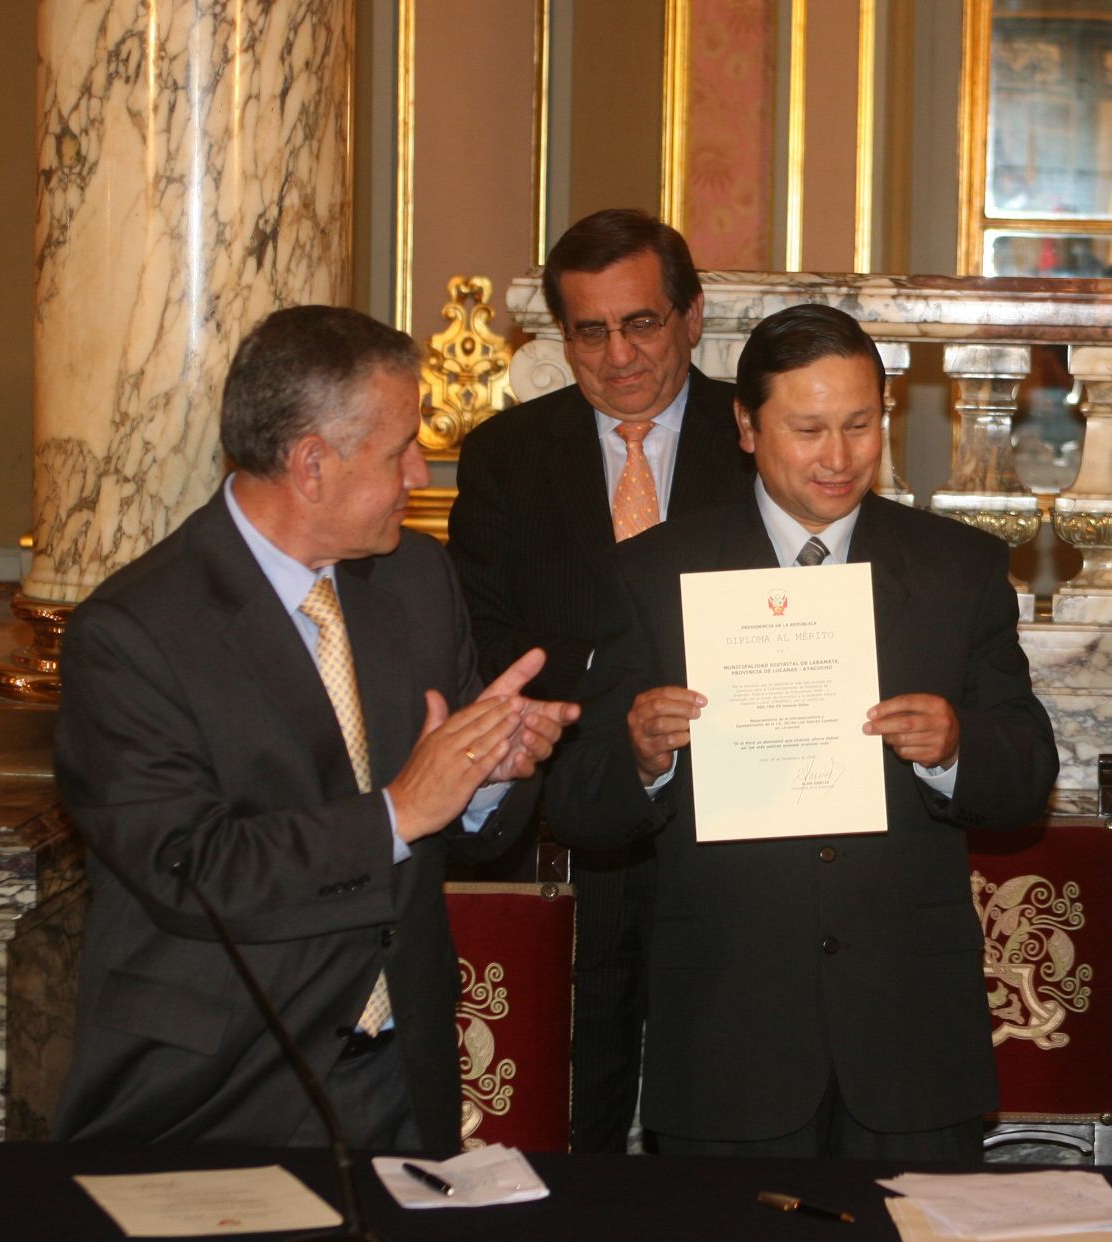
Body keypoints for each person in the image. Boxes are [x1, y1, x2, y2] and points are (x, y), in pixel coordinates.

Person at [51, 306, 578, 1153]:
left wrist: (494, 774)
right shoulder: (134, 634)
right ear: (310, 464)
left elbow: (466, 814)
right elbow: (197, 871)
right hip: (219, 1084)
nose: (422, 473)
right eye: (400, 448)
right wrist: (400, 812)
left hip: (404, 1078)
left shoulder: (413, 578)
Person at [544, 303, 1059, 1159]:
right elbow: (576, 808)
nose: (839, 456)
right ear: (745, 425)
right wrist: (639, 758)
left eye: (860, 425)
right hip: (728, 1036)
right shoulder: (656, 573)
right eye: (809, 428)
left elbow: (1027, 777)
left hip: (910, 1037)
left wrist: (958, 746)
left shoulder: (955, 568)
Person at [449, 209, 754, 1152]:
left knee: (720, 1098)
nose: (618, 355)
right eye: (590, 330)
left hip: (727, 814)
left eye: (642, 323)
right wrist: (608, 701)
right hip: (571, 815)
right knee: (573, 1093)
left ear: (692, 316)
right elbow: (485, 637)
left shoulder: (757, 441)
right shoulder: (506, 456)